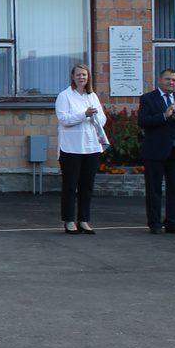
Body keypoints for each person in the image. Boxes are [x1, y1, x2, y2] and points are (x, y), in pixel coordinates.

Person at [139, 68, 175, 235]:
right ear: (159, 80)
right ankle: (155, 224)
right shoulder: (148, 98)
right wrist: (164, 116)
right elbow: (143, 122)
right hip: (155, 151)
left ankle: (173, 223)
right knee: (154, 189)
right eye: (168, 79)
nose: (171, 82)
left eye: (174, 80)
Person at [55, 63, 107, 235]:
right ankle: (69, 221)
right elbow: (64, 119)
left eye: (84, 75)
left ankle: (84, 220)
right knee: (70, 186)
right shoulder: (64, 96)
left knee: (87, 186)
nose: (82, 78)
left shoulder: (92, 96)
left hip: (91, 146)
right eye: (78, 75)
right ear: (72, 77)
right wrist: (84, 114)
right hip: (71, 147)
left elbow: (103, 119)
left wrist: (95, 117)